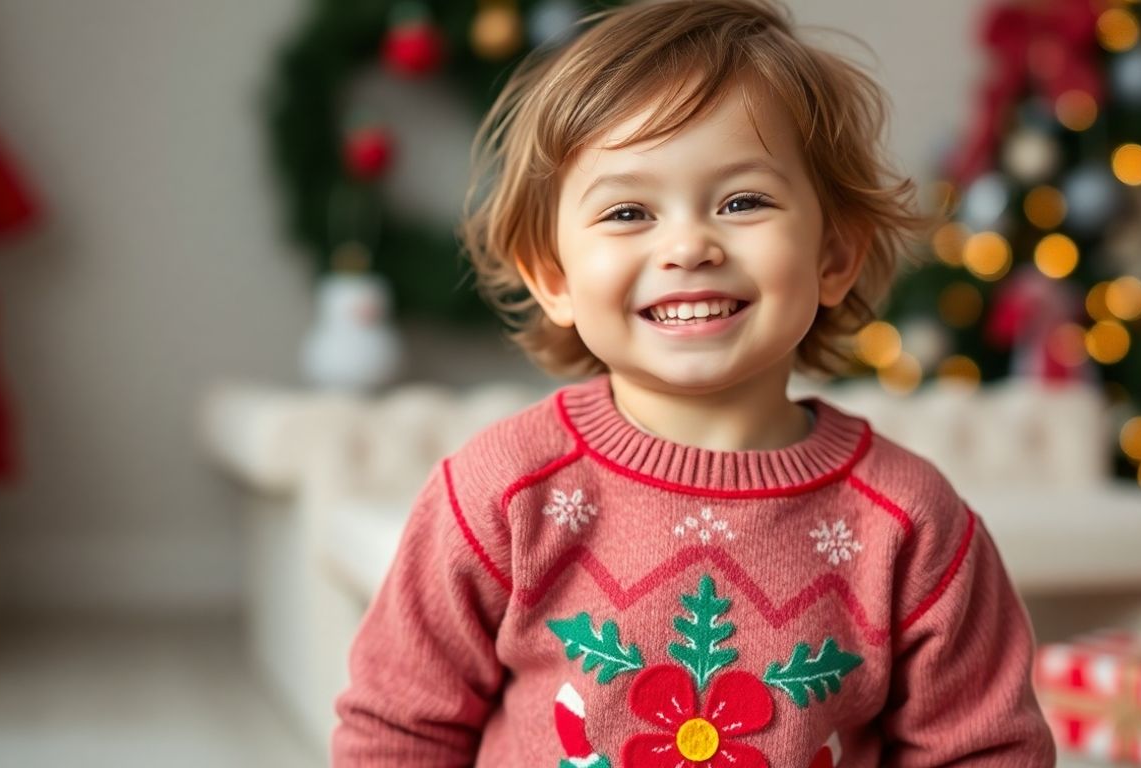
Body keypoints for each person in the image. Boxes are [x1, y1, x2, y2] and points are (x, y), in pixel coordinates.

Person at [332, 1, 1056, 765]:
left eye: (742, 201)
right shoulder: (502, 494)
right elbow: (398, 730)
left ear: (835, 255)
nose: (687, 245)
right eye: (628, 211)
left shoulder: (910, 525)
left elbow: (986, 751)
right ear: (554, 275)